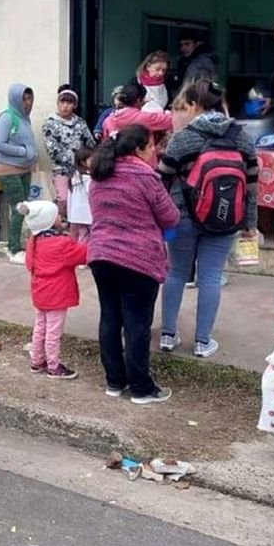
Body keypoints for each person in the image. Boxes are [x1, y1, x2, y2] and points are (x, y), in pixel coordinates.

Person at [156, 80, 259, 358]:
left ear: (193, 105)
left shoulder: (183, 137)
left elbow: (161, 180)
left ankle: (168, 335)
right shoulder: (241, 137)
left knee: (176, 273)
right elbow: (251, 184)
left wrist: (161, 219)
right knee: (211, 278)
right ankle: (203, 342)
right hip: (225, 219)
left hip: (181, 219)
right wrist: (250, 223)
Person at [88, 124, 179, 404]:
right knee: (137, 324)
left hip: (102, 256)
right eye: (152, 146)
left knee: (110, 318)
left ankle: (114, 382)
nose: (155, 150)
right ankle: (141, 388)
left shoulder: (99, 174)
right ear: (139, 149)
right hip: (137, 260)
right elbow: (171, 217)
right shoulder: (145, 176)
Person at [19, 200, 88, 379]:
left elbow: (29, 264)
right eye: (56, 215)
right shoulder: (62, 243)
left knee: (40, 327)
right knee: (53, 332)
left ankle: (37, 361)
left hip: (40, 292)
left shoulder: (32, 241)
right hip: (57, 294)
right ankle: (53, 366)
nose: (60, 217)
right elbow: (84, 255)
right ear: (49, 221)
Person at [0, 83, 37, 264]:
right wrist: (23, 151)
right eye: (24, 99)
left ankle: (15, 243)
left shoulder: (25, 118)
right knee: (18, 208)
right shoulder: (8, 117)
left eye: (29, 98)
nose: (27, 103)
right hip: (9, 170)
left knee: (22, 208)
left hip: (24, 170)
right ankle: (14, 249)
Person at [42, 87, 94, 217]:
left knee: (81, 200)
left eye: (69, 103)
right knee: (63, 199)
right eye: (62, 102)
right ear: (58, 103)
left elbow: (90, 143)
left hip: (81, 169)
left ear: (74, 105)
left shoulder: (80, 123)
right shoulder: (50, 123)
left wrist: (85, 160)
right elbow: (52, 149)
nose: (65, 106)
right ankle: (64, 224)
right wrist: (72, 159)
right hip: (62, 169)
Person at [101, 83, 173, 140]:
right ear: (138, 100)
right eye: (144, 97)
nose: (147, 100)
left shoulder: (108, 120)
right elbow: (170, 121)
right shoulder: (143, 118)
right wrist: (167, 112)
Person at [67, 147, 92, 243]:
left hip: (76, 215)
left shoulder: (73, 177)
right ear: (83, 162)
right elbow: (91, 193)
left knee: (81, 237)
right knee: (89, 237)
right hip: (88, 214)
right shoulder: (88, 178)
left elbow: (70, 198)